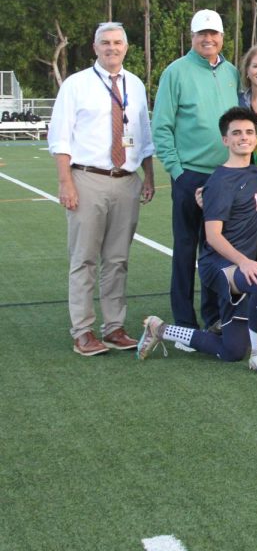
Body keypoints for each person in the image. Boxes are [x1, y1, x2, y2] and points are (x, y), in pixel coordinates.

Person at [137, 107, 257, 374]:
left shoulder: (251, 172)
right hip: (219, 265)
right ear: (225, 140)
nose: (244, 137)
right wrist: (245, 262)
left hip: (236, 267)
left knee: (231, 351)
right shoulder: (219, 181)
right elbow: (213, 236)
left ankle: (160, 329)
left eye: (249, 132)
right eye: (236, 133)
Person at [49, 21, 155, 356]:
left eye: (118, 42)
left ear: (126, 47)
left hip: (126, 180)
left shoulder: (135, 85)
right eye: (105, 43)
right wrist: (66, 183)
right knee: (84, 259)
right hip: (87, 179)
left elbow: (143, 134)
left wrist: (148, 176)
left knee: (117, 260)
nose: (112, 48)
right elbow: (60, 136)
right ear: (95, 48)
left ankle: (114, 327)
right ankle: (83, 331)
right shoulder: (76, 85)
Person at [152, 9, 239, 331]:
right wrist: (177, 171)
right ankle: (184, 319)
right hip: (190, 174)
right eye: (202, 34)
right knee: (186, 248)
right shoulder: (176, 72)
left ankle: (214, 315)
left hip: (225, 175)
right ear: (192, 37)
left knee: (216, 248)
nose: (208, 39)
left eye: (213, 33)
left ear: (221, 37)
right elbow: (161, 126)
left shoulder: (232, 72)